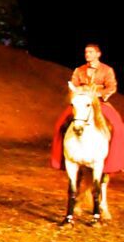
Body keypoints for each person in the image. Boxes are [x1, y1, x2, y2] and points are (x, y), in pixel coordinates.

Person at [52, 43, 124, 175]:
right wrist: (79, 93)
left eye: (91, 52)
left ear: (98, 54)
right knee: (60, 124)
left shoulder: (107, 70)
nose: (87, 55)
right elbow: (73, 85)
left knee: (118, 127)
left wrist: (98, 94)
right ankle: (62, 158)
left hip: (99, 102)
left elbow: (112, 87)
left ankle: (115, 162)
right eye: (86, 52)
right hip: (82, 102)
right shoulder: (79, 70)